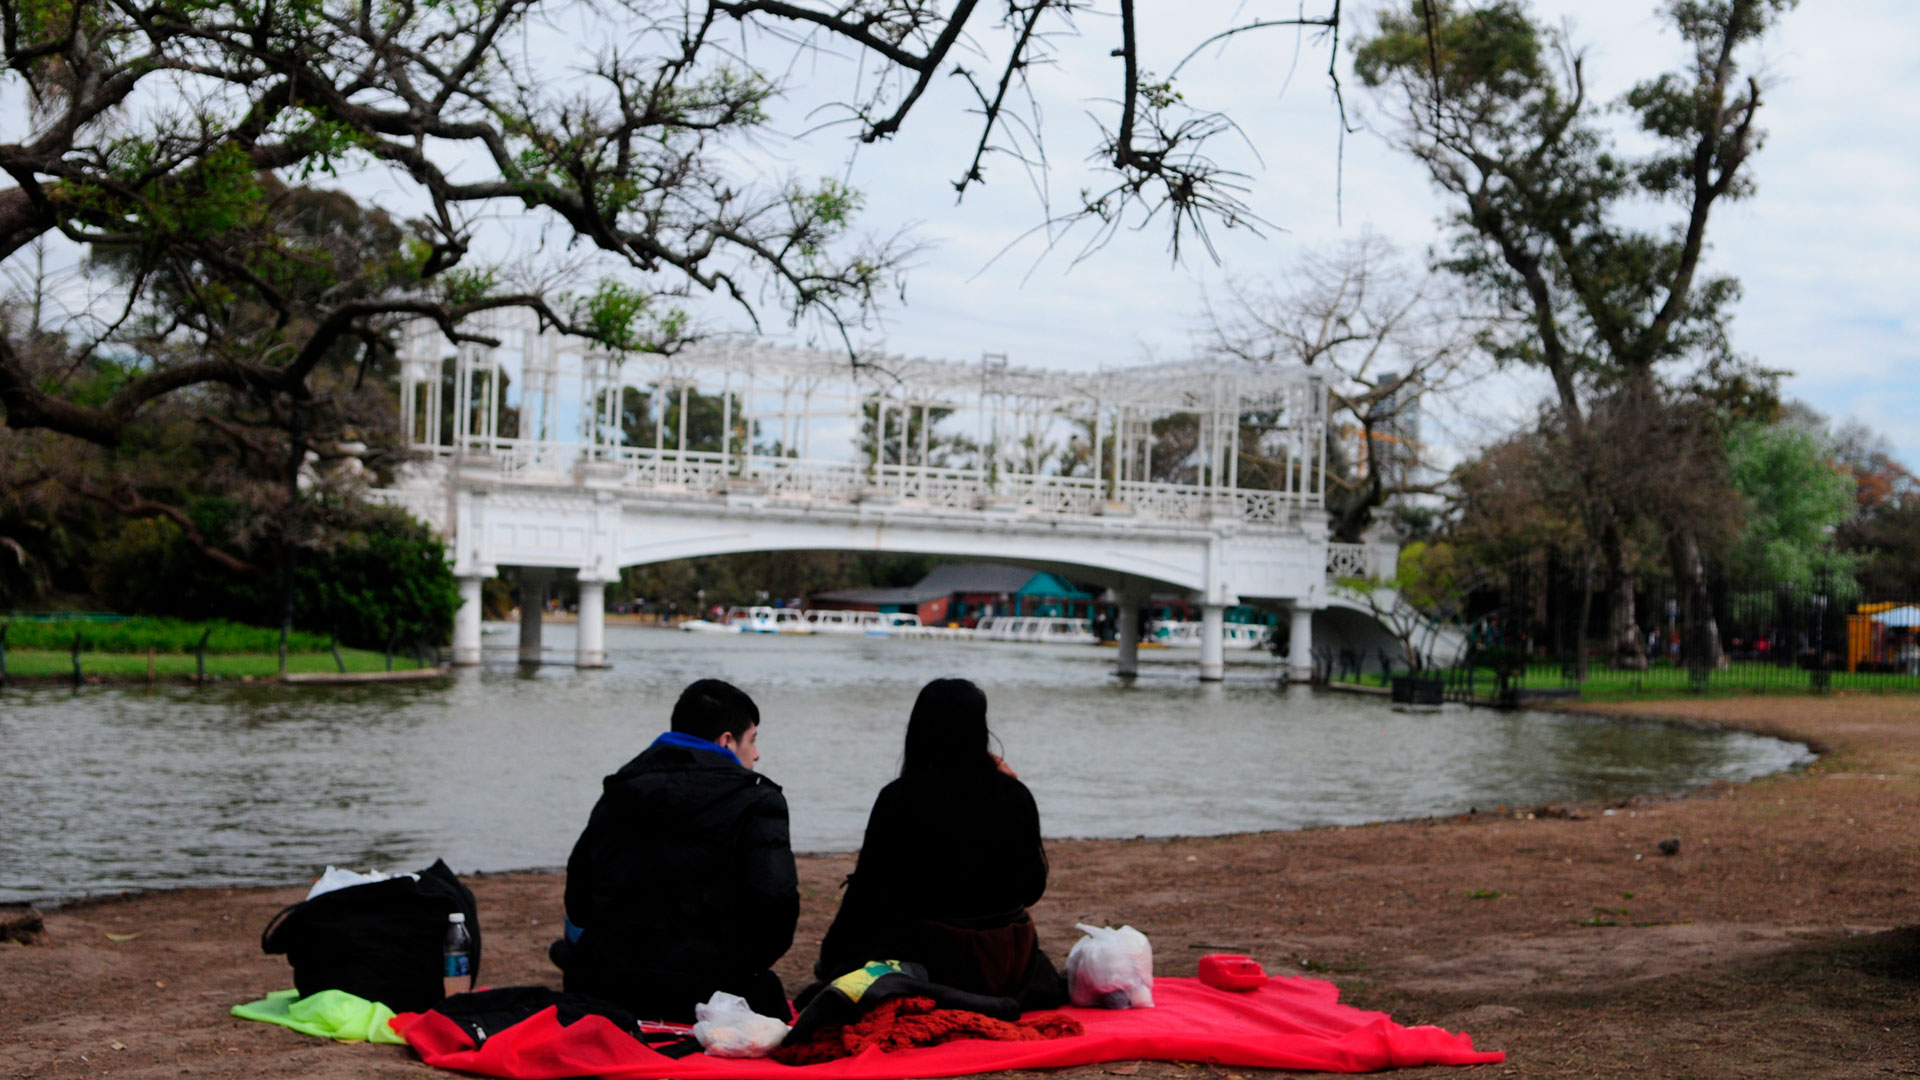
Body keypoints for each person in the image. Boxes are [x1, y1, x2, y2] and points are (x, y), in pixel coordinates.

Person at [550, 678, 798, 1021]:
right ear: (726, 741)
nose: (756, 754)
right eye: (752, 740)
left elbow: (578, 900)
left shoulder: (621, 790)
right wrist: (740, 964)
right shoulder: (757, 802)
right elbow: (776, 910)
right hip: (710, 994)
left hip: (607, 986)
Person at [812, 678, 1065, 1009]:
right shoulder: (1015, 794)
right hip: (1008, 963)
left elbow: (869, 895)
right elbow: (1031, 890)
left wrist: (832, 958)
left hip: (936, 962)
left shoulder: (899, 798)